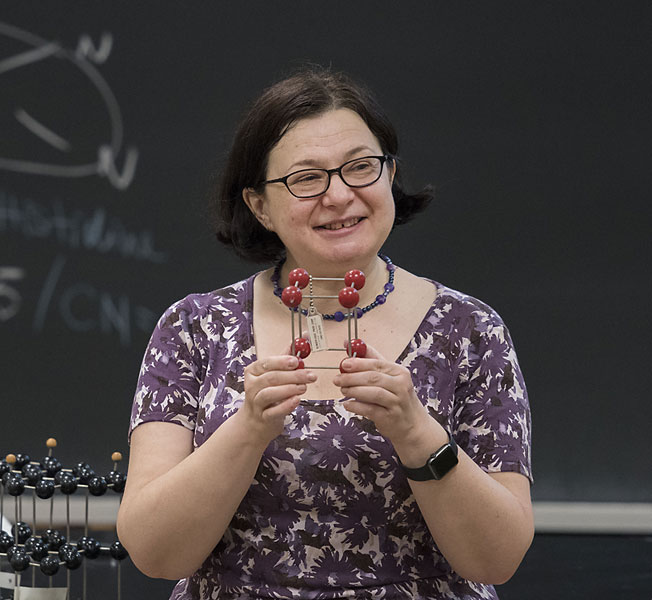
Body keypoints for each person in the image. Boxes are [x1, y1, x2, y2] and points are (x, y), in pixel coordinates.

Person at [117, 67, 533, 600]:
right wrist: (247, 429)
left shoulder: (471, 330)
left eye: (361, 167)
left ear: (390, 174)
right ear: (258, 205)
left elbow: (497, 560)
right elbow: (155, 553)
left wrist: (416, 432)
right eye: (306, 179)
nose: (339, 196)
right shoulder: (195, 329)